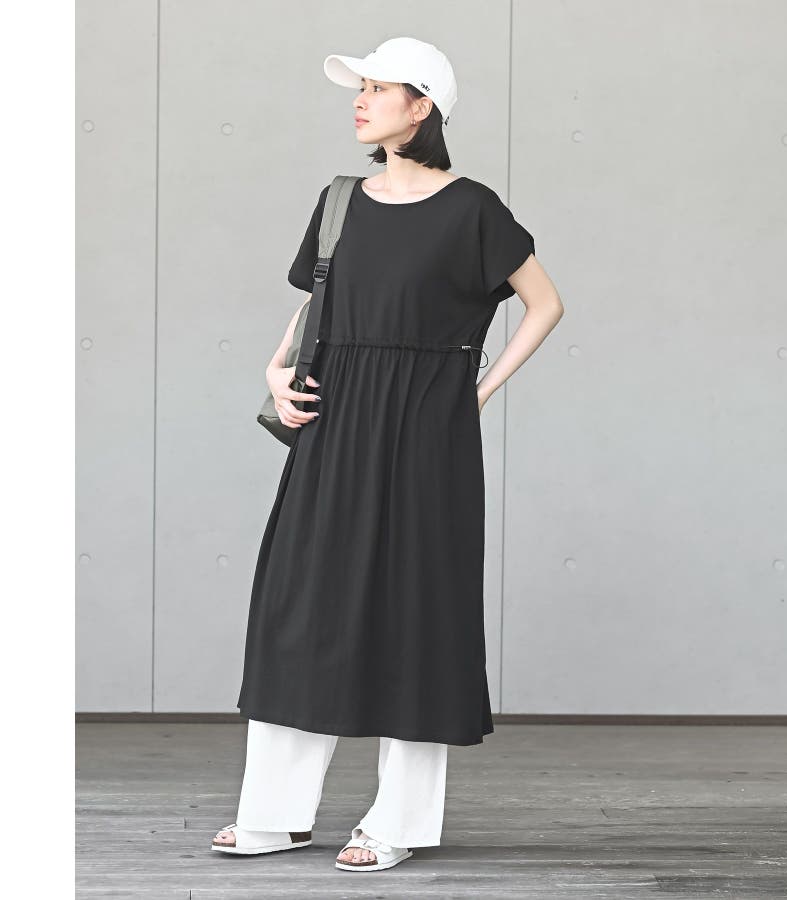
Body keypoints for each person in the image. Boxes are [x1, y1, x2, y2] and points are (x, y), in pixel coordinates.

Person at [211, 36, 564, 872]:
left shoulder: (473, 209)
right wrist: (274, 369)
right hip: (334, 419)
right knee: (302, 606)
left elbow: (545, 304)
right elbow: (318, 299)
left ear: (423, 106)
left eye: (378, 87)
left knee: (417, 609)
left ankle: (397, 824)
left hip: (428, 430)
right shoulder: (339, 200)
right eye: (359, 88)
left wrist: (477, 392)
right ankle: (273, 814)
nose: (361, 100)